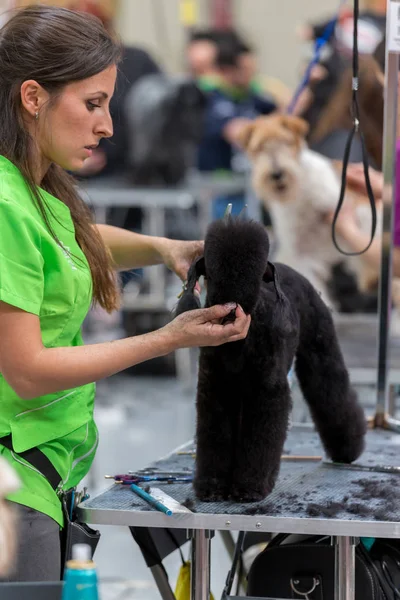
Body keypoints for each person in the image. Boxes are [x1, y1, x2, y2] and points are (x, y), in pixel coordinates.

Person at [0, 5, 251, 582]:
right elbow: (29, 370)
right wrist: (167, 338)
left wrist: (163, 246)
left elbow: (72, 240)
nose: (108, 125)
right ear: (33, 97)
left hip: (49, 471)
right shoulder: (6, 203)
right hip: (15, 486)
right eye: (93, 104)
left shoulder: (34, 186)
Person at [197, 35, 277, 219]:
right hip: (219, 190)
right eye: (245, 70)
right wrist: (269, 126)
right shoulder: (211, 98)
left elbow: (282, 115)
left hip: (249, 186)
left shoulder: (254, 96)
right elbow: (236, 131)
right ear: (227, 70)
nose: (251, 74)